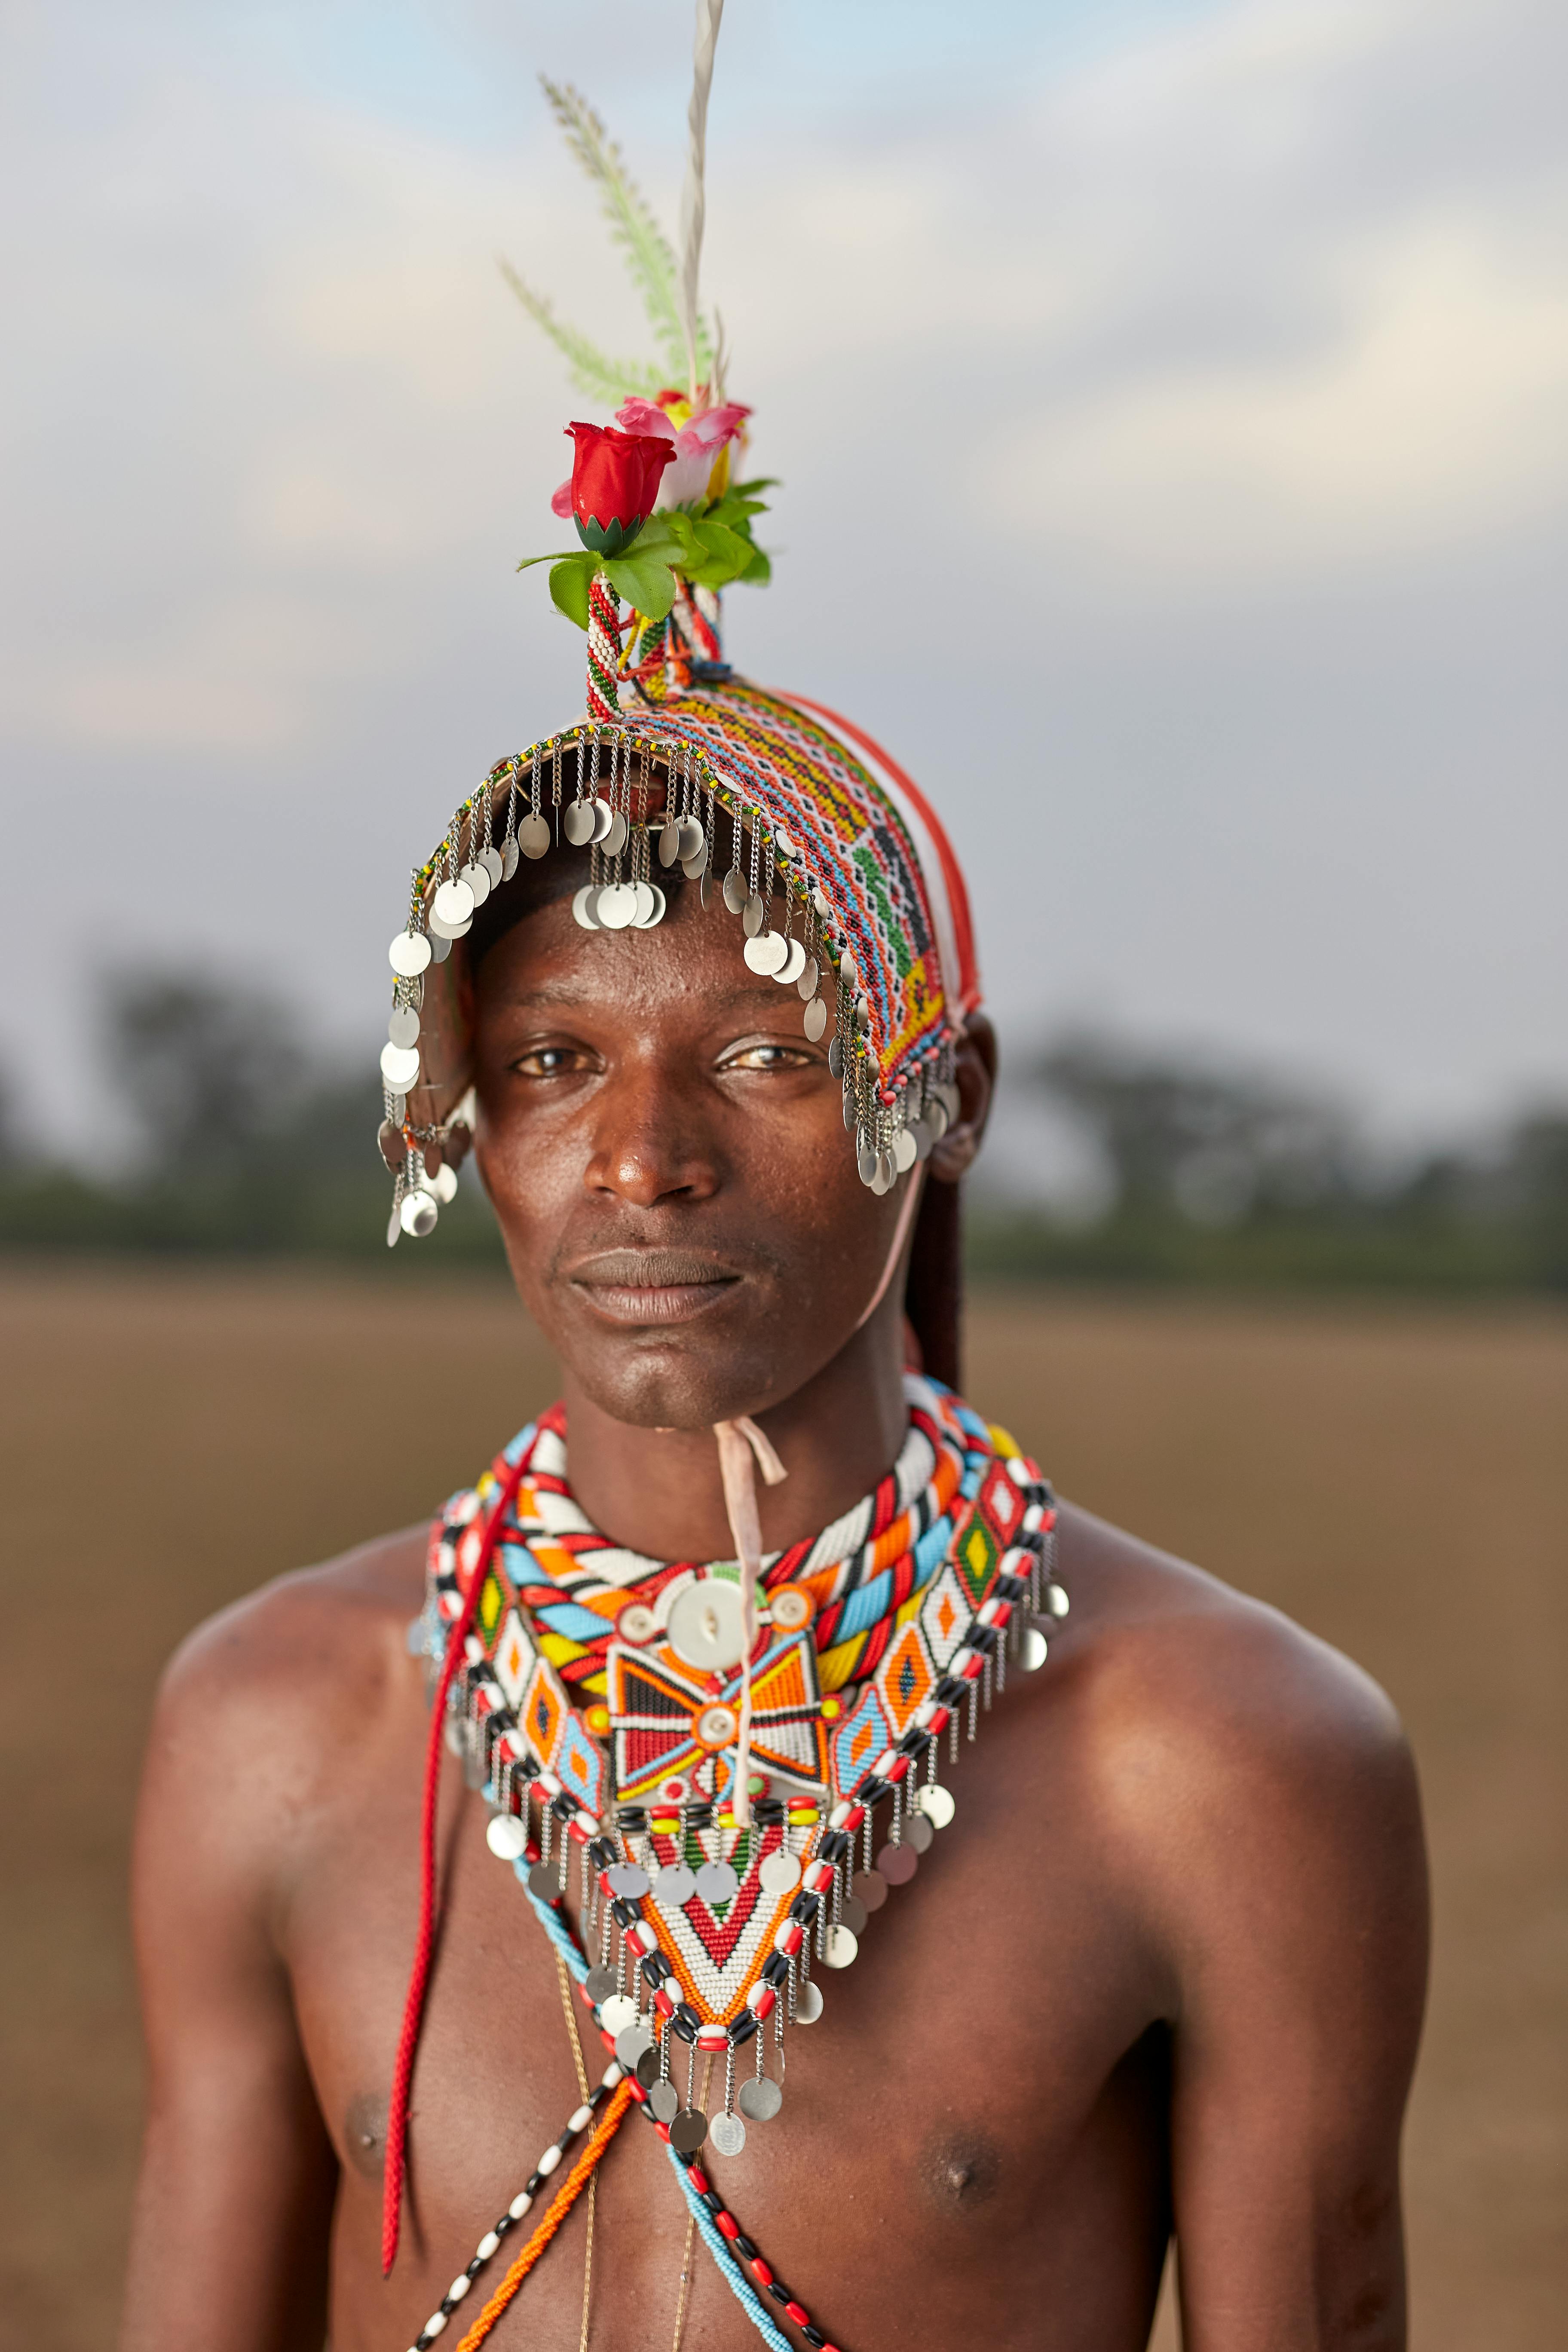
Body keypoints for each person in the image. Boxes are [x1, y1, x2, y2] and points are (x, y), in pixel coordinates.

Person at [119, 32, 1428, 2352]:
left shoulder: (1221, 1758)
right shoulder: (278, 1723)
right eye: (549, 1064)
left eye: (769, 1054)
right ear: (467, 1129)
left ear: (950, 1099)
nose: (646, 1158)